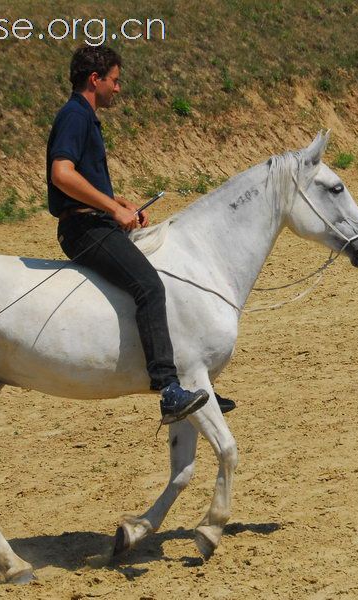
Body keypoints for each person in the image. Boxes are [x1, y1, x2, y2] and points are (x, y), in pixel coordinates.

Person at [46, 45, 208, 425]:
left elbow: (81, 178)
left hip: (95, 221)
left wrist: (117, 203)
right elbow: (62, 175)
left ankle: (194, 378)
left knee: (162, 275)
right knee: (149, 287)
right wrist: (113, 209)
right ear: (95, 79)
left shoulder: (86, 116)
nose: (118, 89)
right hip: (83, 230)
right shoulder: (74, 115)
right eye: (114, 81)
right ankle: (169, 390)